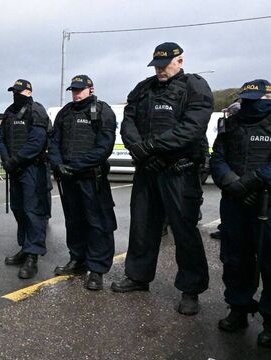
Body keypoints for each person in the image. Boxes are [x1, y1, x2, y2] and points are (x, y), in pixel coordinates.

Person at [113, 42, 214, 316]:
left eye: (164, 64)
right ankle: (138, 277)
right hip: (148, 169)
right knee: (143, 225)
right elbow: (128, 122)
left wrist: (152, 147)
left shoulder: (195, 87)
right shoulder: (143, 88)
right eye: (156, 65)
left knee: (184, 230)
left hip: (178, 171)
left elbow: (191, 128)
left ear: (179, 61)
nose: (159, 70)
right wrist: (141, 151)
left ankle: (190, 290)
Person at [210, 79, 271, 348]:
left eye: (254, 100)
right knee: (235, 258)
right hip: (235, 202)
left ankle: (270, 320)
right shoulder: (231, 124)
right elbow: (217, 158)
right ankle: (239, 308)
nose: (248, 106)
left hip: (266, 202)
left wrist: (252, 182)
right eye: (245, 100)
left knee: (270, 261)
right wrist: (233, 182)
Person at [48, 75, 117, 290]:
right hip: (68, 177)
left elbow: (104, 147)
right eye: (73, 90)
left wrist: (75, 166)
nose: (76, 94)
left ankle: (96, 268)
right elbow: (54, 141)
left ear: (91, 89)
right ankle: (77, 259)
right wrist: (58, 165)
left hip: (90, 178)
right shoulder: (65, 112)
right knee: (74, 220)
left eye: (80, 90)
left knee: (97, 223)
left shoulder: (102, 111)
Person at [0, 79, 52, 279]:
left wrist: (16, 160)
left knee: (32, 211)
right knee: (18, 210)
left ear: (29, 92)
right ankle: (24, 247)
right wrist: (6, 159)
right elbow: (0, 138)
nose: (15, 94)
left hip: (31, 169)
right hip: (14, 168)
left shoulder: (36, 110)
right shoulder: (9, 112)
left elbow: (37, 141)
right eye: (13, 91)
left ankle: (33, 256)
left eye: (19, 91)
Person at [210, 101, 241, 241]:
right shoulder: (229, 127)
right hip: (231, 180)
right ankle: (225, 228)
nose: (228, 115)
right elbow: (218, 156)